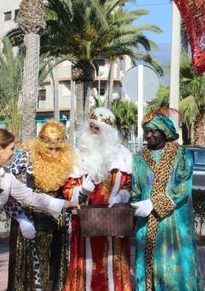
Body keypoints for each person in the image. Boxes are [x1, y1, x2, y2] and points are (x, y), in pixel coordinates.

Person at [0, 128, 79, 291]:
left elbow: (30, 197)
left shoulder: (7, 176)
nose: (13, 153)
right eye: (11, 149)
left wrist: (63, 204)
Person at [131, 110, 203, 291]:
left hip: (174, 222)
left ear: (164, 131)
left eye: (153, 131)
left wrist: (154, 204)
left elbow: (183, 188)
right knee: (147, 265)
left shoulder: (181, 155)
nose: (149, 135)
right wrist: (136, 205)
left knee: (176, 264)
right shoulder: (138, 159)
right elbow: (136, 190)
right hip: (146, 223)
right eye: (146, 131)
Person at [63, 107, 133, 291]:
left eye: (97, 129)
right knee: (85, 268)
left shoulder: (123, 156)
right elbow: (68, 190)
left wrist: (121, 196)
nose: (92, 132)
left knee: (112, 265)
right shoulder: (78, 155)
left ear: (108, 133)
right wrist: (82, 191)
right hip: (84, 224)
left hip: (113, 222)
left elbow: (129, 185)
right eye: (91, 127)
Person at [5, 121, 75, 291]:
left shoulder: (69, 160)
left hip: (57, 223)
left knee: (54, 270)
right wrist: (21, 218)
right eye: (49, 148)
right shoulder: (24, 158)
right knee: (27, 272)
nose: (53, 152)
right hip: (29, 221)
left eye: (57, 148)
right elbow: (5, 191)